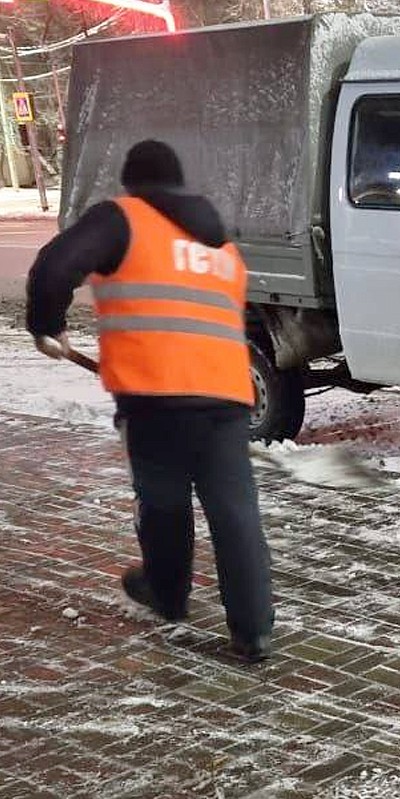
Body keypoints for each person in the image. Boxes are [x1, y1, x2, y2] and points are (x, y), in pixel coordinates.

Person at [25, 140, 274, 662]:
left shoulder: (124, 219)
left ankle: (168, 594)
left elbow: (55, 266)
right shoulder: (219, 244)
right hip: (228, 394)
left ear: (134, 183)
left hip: (155, 396)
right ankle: (252, 628)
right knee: (234, 510)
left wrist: (46, 324)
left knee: (162, 502)